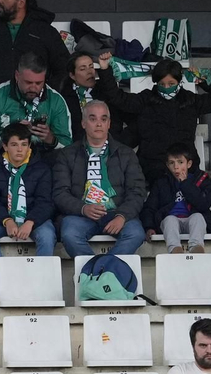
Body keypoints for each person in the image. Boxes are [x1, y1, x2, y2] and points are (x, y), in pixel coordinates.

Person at [95, 58, 211, 185]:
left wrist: (207, 81)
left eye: (171, 84)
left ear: (179, 81)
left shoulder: (191, 101)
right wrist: (105, 70)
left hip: (185, 166)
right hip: (152, 167)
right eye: (162, 84)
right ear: (156, 83)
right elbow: (118, 98)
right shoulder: (146, 100)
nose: (166, 88)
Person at [54, 101, 147, 259]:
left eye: (103, 119)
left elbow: (137, 191)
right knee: (69, 234)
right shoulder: (67, 154)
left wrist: (122, 216)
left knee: (136, 233)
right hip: (81, 215)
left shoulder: (126, 154)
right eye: (93, 119)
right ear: (83, 123)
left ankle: (97, 272)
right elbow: (60, 193)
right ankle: (104, 273)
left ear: (109, 123)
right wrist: (83, 208)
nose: (99, 124)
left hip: (116, 213)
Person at [0, 124, 56, 269]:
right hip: (4, 219)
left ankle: (41, 282)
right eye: (14, 144)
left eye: (24, 144)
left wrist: (30, 221)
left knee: (47, 235)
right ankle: (4, 277)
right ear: (5, 146)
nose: (20, 149)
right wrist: (7, 221)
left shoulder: (42, 168)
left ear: (29, 146)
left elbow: (45, 203)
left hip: (34, 219)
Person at [0, 50, 74, 158]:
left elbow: (68, 145)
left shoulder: (56, 100)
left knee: (62, 156)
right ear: (17, 76)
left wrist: (51, 139)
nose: (33, 87)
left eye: (39, 83)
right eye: (28, 82)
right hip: (6, 155)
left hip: (42, 156)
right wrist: (10, 134)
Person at [143, 142, 211, 252]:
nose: (176, 167)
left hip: (191, 219)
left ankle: (196, 248)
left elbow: (203, 204)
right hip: (171, 220)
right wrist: (149, 227)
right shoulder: (162, 183)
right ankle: (175, 249)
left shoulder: (200, 180)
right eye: (171, 163)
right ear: (167, 165)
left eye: (180, 162)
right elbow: (150, 207)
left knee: (198, 217)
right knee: (169, 220)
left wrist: (185, 184)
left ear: (189, 164)